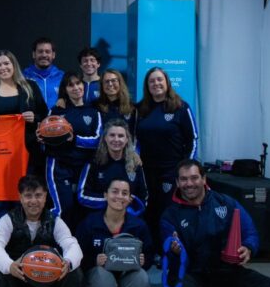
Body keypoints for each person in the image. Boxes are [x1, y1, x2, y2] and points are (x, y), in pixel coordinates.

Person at [75, 178, 153, 287]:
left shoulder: (138, 226)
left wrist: (144, 261)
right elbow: (76, 253)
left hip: (126, 277)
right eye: (115, 191)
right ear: (106, 195)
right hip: (98, 278)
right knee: (101, 274)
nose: (119, 196)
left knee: (141, 276)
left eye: (125, 193)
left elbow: (149, 254)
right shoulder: (90, 222)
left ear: (130, 199)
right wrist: (93, 260)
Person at [0, 50, 48, 238]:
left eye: (6, 63)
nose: (3, 68)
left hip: (27, 154)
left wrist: (35, 117)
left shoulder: (30, 87)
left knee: (25, 198)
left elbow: (45, 116)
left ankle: (25, 242)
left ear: (14, 65)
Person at [136, 67, 198, 247]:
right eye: (152, 81)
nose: (156, 83)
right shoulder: (140, 109)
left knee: (167, 211)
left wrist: (185, 169)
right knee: (148, 210)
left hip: (171, 171)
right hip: (146, 171)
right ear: (147, 86)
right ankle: (150, 249)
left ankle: (169, 249)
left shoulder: (181, 107)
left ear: (167, 82)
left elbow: (193, 139)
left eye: (159, 80)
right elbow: (134, 139)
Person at [45, 71, 101, 231]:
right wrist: (43, 138)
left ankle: (81, 242)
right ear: (65, 89)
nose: (76, 88)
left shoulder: (93, 112)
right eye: (71, 85)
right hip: (59, 166)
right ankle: (57, 243)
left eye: (78, 83)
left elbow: (98, 141)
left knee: (83, 209)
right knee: (64, 208)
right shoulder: (56, 111)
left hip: (84, 167)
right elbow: (46, 137)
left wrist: (74, 139)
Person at [78, 119, 148, 217]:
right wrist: (112, 201)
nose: (116, 139)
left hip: (128, 217)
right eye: (112, 135)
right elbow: (82, 196)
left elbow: (144, 197)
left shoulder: (135, 163)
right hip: (99, 217)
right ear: (105, 138)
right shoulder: (94, 162)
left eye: (121, 136)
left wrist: (130, 206)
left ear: (127, 140)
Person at [22, 37, 64, 109]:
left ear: (53, 55)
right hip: (33, 116)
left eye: (47, 52)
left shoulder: (62, 77)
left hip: (57, 116)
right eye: (40, 51)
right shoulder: (23, 77)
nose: (44, 55)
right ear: (34, 54)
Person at [95, 69, 137, 138]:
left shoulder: (132, 107)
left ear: (120, 83)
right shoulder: (95, 106)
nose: (110, 84)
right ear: (102, 85)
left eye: (114, 80)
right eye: (106, 81)